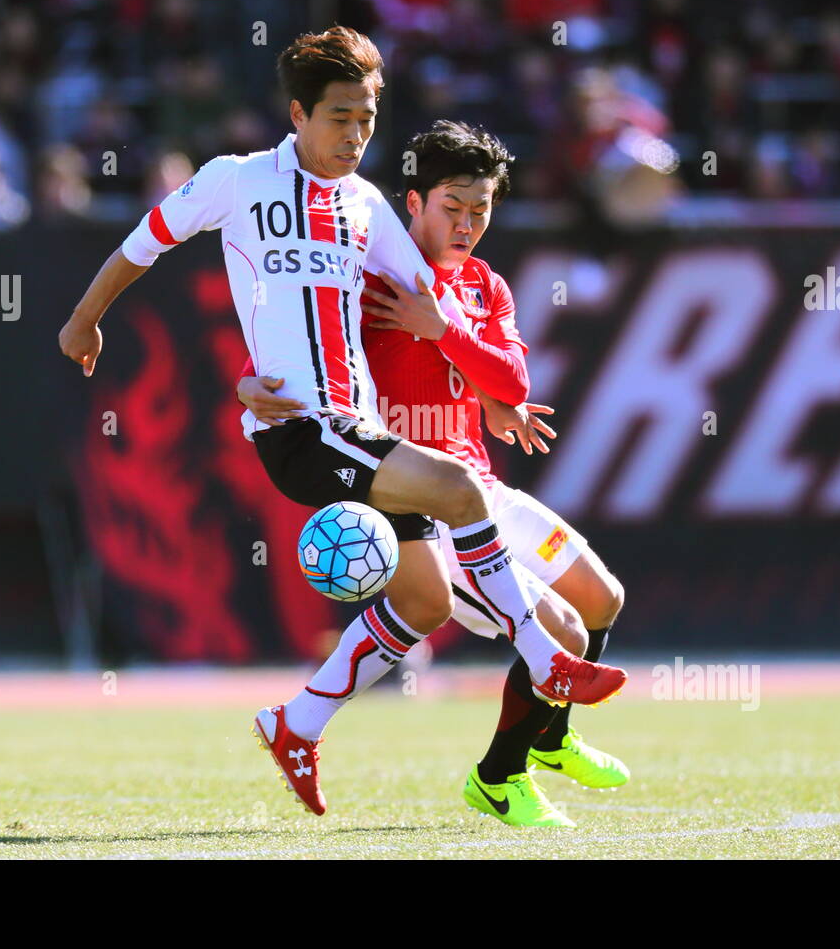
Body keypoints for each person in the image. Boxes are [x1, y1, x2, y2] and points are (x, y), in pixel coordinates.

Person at [58, 27, 626, 817]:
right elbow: (145, 243)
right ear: (297, 114)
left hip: (358, 430)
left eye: (367, 118)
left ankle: (297, 723)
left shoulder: (365, 207)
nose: (356, 135)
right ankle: (543, 664)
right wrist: (86, 322)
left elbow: (427, 291)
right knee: (463, 490)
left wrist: (487, 383)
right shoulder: (236, 181)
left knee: (426, 602)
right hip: (303, 428)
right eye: (339, 118)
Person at [240, 121, 628, 827]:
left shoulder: (482, 284)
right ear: (411, 203)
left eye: (481, 210)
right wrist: (249, 383)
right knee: (557, 629)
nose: (468, 225)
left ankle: (552, 737)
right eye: (453, 208)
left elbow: (512, 378)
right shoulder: (366, 279)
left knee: (603, 599)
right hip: (417, 496)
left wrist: (444, 330)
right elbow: (295, 342)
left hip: (479, 486)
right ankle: (500, 777)